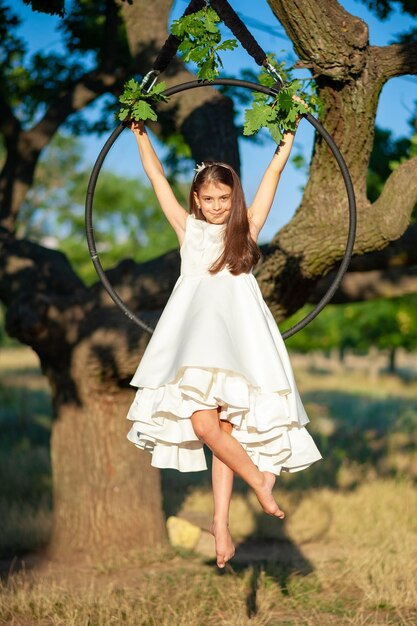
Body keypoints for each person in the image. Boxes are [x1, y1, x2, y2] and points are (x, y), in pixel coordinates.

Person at [125, 118, 322, 569]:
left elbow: (271, 177)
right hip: (195, 344)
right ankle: (258, 481)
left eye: (223, 198)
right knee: (204, 427)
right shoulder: (188, 230)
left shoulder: (246, 230)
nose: (216, 206)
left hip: (241, 343)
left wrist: (286, 138)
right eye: (208, 198)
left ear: (235, 200)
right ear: (196, 198)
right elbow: (156, 177)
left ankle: (221, 523)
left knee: (225, 436)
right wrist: (140, 133)